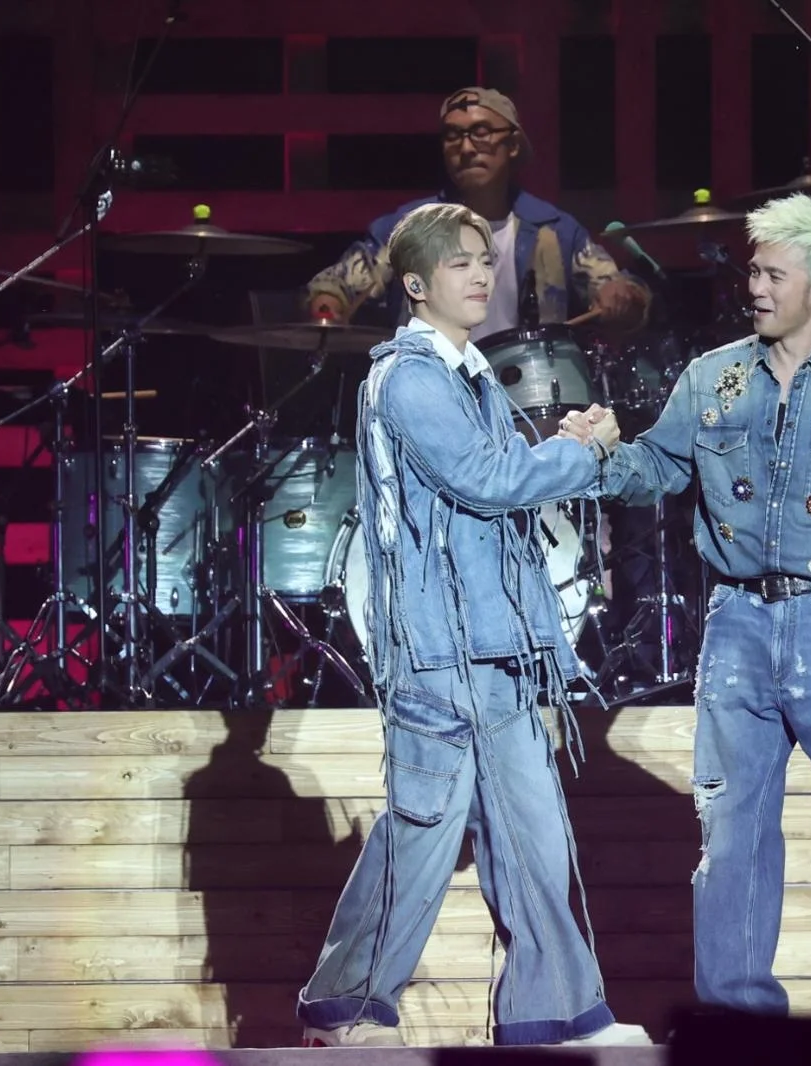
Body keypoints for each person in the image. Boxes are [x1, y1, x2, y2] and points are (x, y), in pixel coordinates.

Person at [566, 193, 811, 1036]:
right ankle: (736, 1018)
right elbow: (658, 469)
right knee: (730, 825)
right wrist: (605, 453)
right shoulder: (712, 377)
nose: (754, 287)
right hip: (737, 624)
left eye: (774, 274)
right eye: (753, 271)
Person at [296, 201, 648, 1049]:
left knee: (533, 834)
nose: (482, 273)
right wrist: (581, 452)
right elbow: (487, 481)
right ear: (417, 285)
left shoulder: (468, 371)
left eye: (484, 259)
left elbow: (499, 477)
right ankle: (343, 1008)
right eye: (460, 262)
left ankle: (555, 1014)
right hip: (438, 651)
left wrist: (563, 444)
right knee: (420, 835)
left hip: (497, 644)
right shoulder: (410, 377)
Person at [305, 86, 649, 335]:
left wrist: (622, 296)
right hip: (427, 390)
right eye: (453, 136)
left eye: (480, 132)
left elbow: (622, 292)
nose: (467, 147)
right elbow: (333, 285)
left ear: (512, 145)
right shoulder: (409, 228)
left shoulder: (555, 230)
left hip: (527, 393)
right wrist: (327, 305)